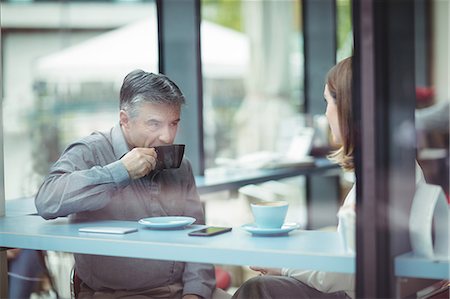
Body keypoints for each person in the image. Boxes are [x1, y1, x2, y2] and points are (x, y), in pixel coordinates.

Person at [232, 57, 429, 299]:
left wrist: (285, 266)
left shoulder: (379, 178)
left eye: (328, 102)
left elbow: (351, 272)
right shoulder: (392, 164)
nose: (326, 114)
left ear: (347, 108)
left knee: (259, 288)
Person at [35, 70, 229, 299]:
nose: (167, 137)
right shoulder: (91, 151)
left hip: (180, 292)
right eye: (154, 124)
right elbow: (46, 201)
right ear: (125, 120)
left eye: (173, 123)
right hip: (115, 294)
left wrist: (194, 294)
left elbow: (199, 238)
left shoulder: (181, 166)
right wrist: (120, 171)